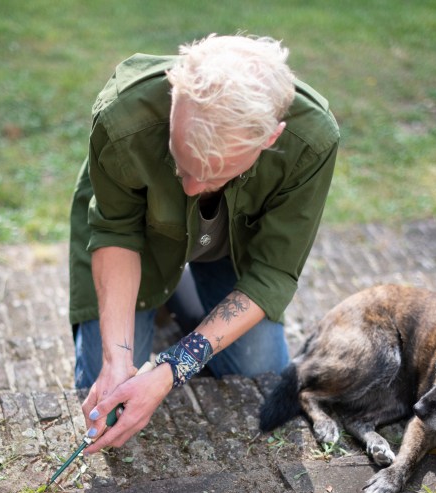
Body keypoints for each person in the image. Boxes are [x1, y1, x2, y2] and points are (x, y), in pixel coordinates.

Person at [68, 33, 339, 454]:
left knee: (259, 372)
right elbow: (117, 231)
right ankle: (159, 284)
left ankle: (174, 290)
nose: (193, 189)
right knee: (102, 392)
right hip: (139, 243)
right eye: (180, 163)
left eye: (214, 175)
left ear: (270, 139)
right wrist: (116, 359)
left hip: (231, 248)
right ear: (174, 97)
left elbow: (271, 272)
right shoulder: (123, 117)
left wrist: (171, 369)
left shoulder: (312, 142)